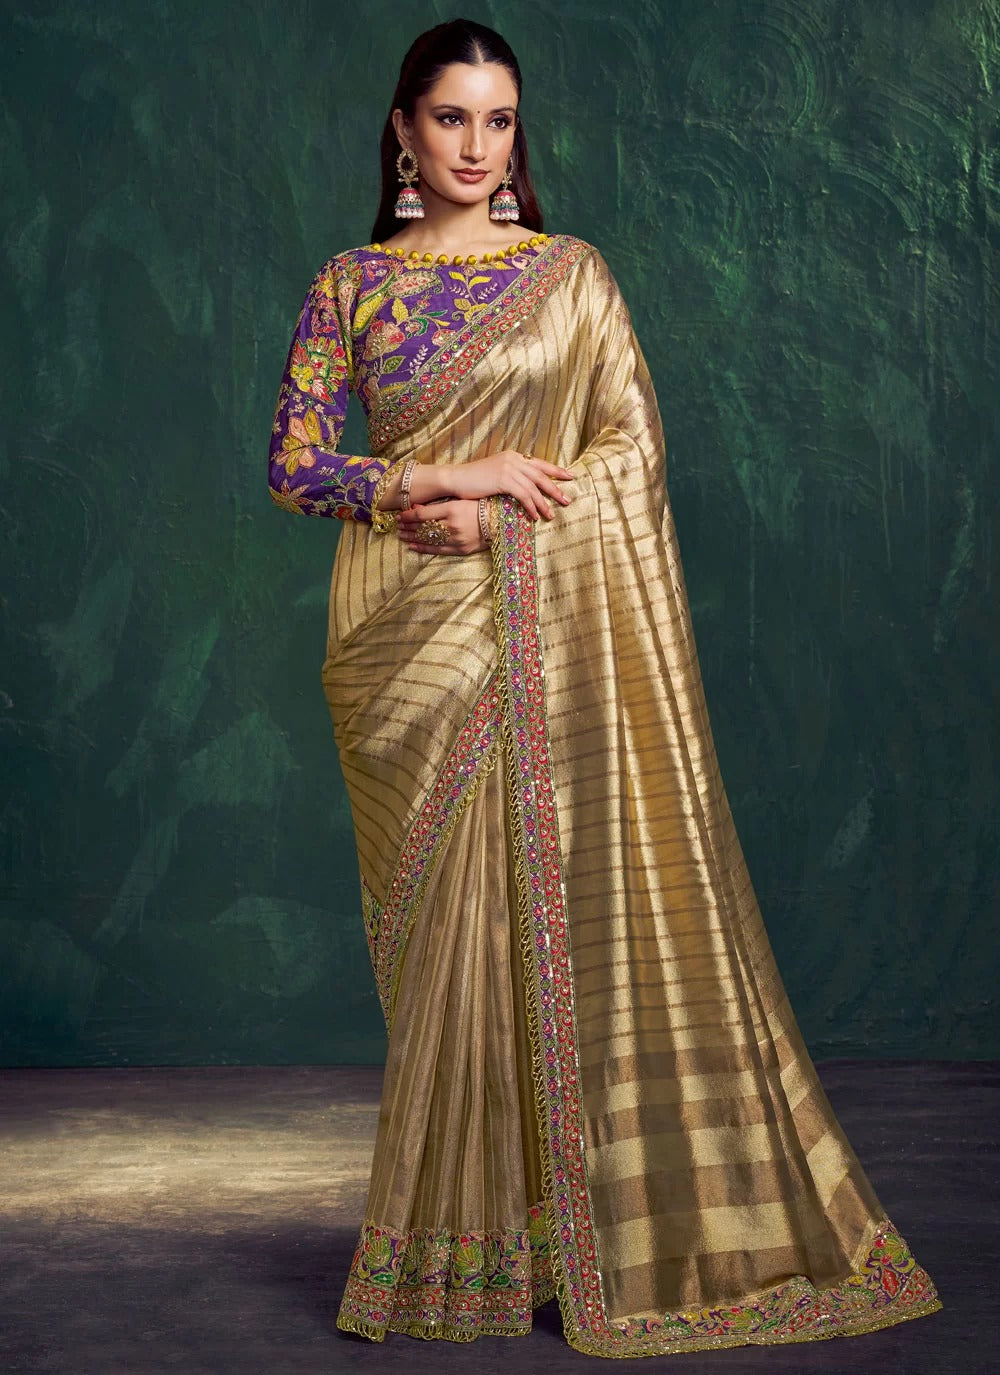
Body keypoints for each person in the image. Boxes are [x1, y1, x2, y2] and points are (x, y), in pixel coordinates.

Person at [266, 17, 942, 1358]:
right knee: (448, 950)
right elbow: (295, 464)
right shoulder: (352, 285)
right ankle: (465, 1248)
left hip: (539, 630)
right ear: (402, 130)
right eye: (450, 118)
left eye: (499, 120)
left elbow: (629, 449)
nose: (476, 146)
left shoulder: (571, 276)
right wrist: (443, 480)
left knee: (545, 919)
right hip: (407, 650)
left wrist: (506, 526)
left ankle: (574, 1230)